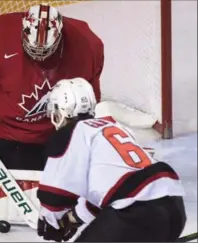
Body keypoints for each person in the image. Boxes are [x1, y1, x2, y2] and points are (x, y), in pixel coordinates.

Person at [36, 78, 186, 242]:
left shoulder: (70, 133)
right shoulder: (113, 126)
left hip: (136, 213)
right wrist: (73, 219)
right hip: (174, 208)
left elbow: (55, 193)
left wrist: (51, 222)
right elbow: (107, 193)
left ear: (62, 109)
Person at [0, 3, 104, 171]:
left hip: (60, 135)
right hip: (11, 136)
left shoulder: (86, 43)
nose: (39, 56)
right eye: (34, 49)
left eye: (46, 50)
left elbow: (90, 92)